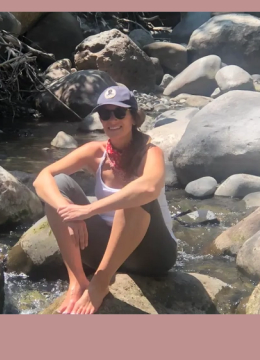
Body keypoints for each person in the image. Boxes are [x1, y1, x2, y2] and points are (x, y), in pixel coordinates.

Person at [33, 85, 177, 314]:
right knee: (58, 185)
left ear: (133, 117)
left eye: (119, 112)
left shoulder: (151, 152)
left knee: (133, 196)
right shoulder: (95, 152)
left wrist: (89, 210)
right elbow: (42, 178)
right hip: (106, 250)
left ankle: (100, 284)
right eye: (105, 114)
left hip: (152, 255)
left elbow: (149, 188)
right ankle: (77, 281)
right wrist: (67, 211)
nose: (112, 120)